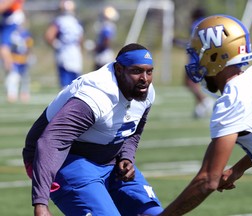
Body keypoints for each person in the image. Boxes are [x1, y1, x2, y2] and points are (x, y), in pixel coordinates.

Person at [158, 15, 252, 216]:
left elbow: (207, 180)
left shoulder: (233, 101)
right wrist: (238, 169)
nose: (196, 62)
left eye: (198, 55)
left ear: (215, 56)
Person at [22, 43, 163, 216]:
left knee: (154, 213)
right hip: (65, 159)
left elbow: (133, 130)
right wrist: (40, 203)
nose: (145, 79)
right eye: (136, 71)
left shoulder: (145, 91)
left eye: (149, 72)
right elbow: (51, 141)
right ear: (119, 70)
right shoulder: (95, 96)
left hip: (109, 161)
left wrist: (126, 156)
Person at [44, 0, 83, 89]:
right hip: (75, 52)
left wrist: (56, 44)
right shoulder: (76, 21)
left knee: (65, 83)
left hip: (64, 52)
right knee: (75, 82)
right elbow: (80, 39)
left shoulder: (59, 21)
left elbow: (49, 35)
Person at [5, 23, 33, 103]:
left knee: (25, 78)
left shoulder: (26, 34)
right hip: (14, 59)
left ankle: (24, 93)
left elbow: (28, 47)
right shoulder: (11, 34)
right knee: (13, 77)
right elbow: (7, 47)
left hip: (23, 59)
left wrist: (29, 56)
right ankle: (11, 94)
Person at [0, 0, 25, 73]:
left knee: (5, 48)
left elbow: (3, 6)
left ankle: (13, 72)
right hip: (7, 21)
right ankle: (11, 72)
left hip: (13, 21)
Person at [92, 6, 119, 70]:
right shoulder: (110, 26)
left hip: (103, 54)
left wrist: (98, 48)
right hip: (105, 53)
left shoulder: (107, 26)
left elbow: (106, 40)